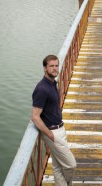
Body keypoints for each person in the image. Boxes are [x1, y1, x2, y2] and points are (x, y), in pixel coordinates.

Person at [31, 54, 76, 186]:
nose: (55, 69)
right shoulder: (42, 89)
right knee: (70, 165)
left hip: (60, 128)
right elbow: (35, 116)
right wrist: (49, 134)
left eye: (56, 65)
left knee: (57, 166)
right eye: (51, 66)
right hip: (53, 133)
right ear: (45, 68)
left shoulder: (52, 83)